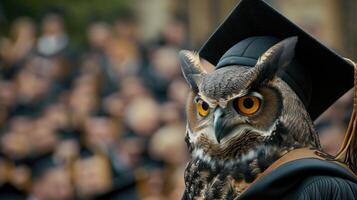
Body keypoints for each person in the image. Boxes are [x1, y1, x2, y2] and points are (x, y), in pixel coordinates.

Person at [183, 0, 357, 199]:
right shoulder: (199, 181)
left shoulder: (322, 187)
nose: (217, 120)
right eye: (205, 107)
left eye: (247, 104)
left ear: (285, 108)